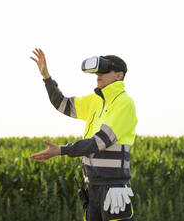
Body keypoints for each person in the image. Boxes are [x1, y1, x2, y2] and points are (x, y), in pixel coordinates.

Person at [29, 48, 138, 221]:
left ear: (119, 75)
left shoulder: (124, 103)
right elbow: (61, 103)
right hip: (92, 188)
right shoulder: (95, 101)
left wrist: (62, 150)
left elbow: (98, 142)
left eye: (104, 71)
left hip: (114, 188)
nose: (98, 75)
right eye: (97, 71)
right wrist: (46, 77)